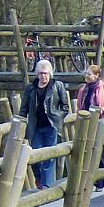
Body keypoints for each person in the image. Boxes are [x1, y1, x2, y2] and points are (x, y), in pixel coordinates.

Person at [19, 59, 69, 189]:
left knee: (49, 156)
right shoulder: (30, 88)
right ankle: (40, 180)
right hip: (35, 127)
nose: (43, 76)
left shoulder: (57, 86)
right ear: (37, 74)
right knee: (35, 156)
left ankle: (46, 185)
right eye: (41, 73)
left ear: (50, 73)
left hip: (51, 126)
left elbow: (65, 106)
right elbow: (23, 109)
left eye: (46, 73)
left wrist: (58, 118)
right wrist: (20, 124)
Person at [76, 65, 104, 190]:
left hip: (101, 125)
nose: (87, 77)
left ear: (96, 75)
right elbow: (80, 106)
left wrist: (101, 111)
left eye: (89, 74)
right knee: (86, 153)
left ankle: (100, 182)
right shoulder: (83, 90)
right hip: (88, 125)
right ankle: (87, 182)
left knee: (100, 154)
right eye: (86, 74)